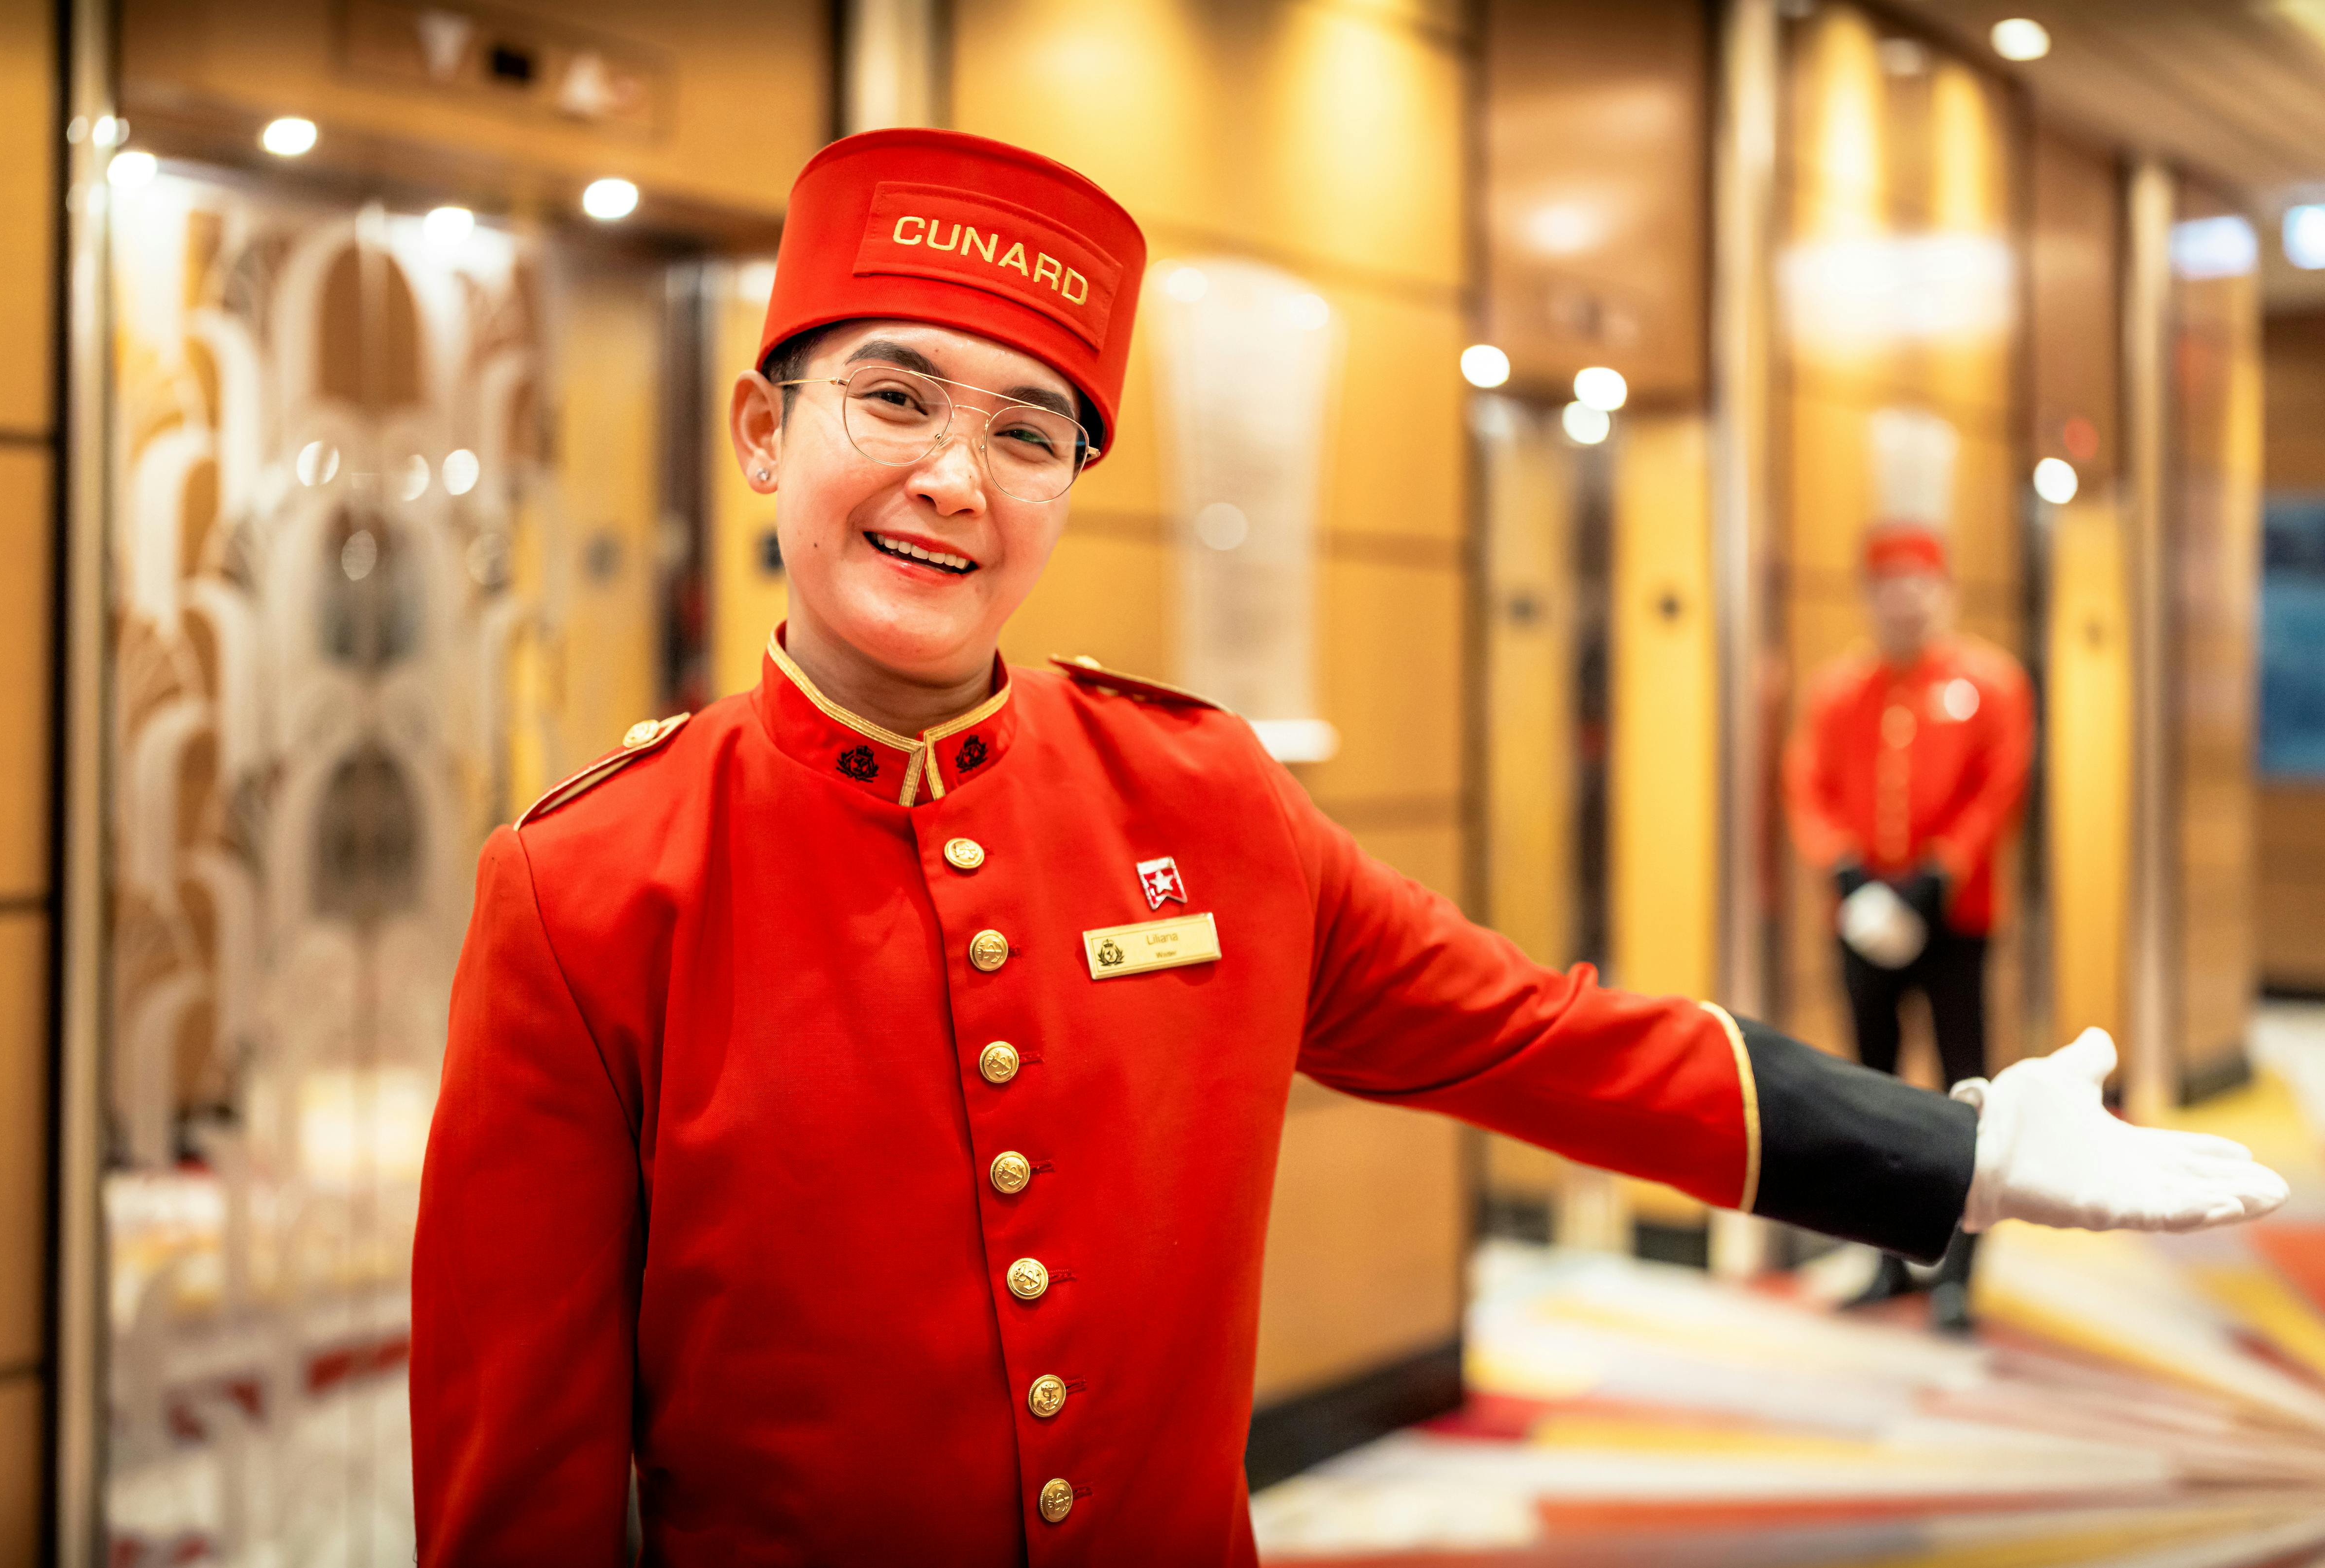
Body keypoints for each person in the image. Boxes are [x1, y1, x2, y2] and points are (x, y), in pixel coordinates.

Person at [410, 129, 2284, 1565]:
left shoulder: (1201, 807)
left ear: (1077, 481)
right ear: (761, 431)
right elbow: (520, 1486)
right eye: (890, 397)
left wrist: (1954, 1151)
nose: (952, 478)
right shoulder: (588, 892)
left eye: (1029, 430)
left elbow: (1542, 1038)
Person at [1783, 521, 2037, 1330]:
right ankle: (1889, 1258)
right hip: (1863, 920)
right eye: (1887, 586)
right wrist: (1844, 867)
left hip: (1956, 919)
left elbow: (2000, 784)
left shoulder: (1991, 683)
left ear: (1945, 591)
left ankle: (1961, 1269)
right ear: (1868, 597)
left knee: (1967, 1087)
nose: (1904, 601)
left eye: (1919, 584)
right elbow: (1807, 787)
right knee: (1870, 1089)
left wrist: (1941, 871)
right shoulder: (1838, 691)